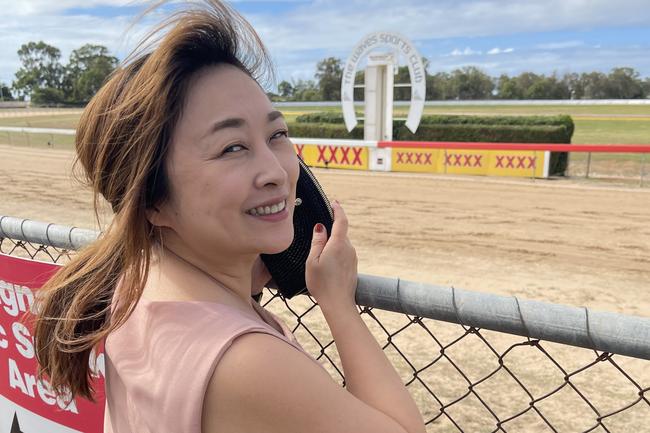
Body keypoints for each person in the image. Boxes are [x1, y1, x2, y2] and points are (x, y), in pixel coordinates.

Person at [33, 1, 427, 432]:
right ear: (152, 202)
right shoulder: (246, 362)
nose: (277, 172)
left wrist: (247, 269)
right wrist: (337, 301)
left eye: (277, 134)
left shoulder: (136, 285)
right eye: (232, 147)